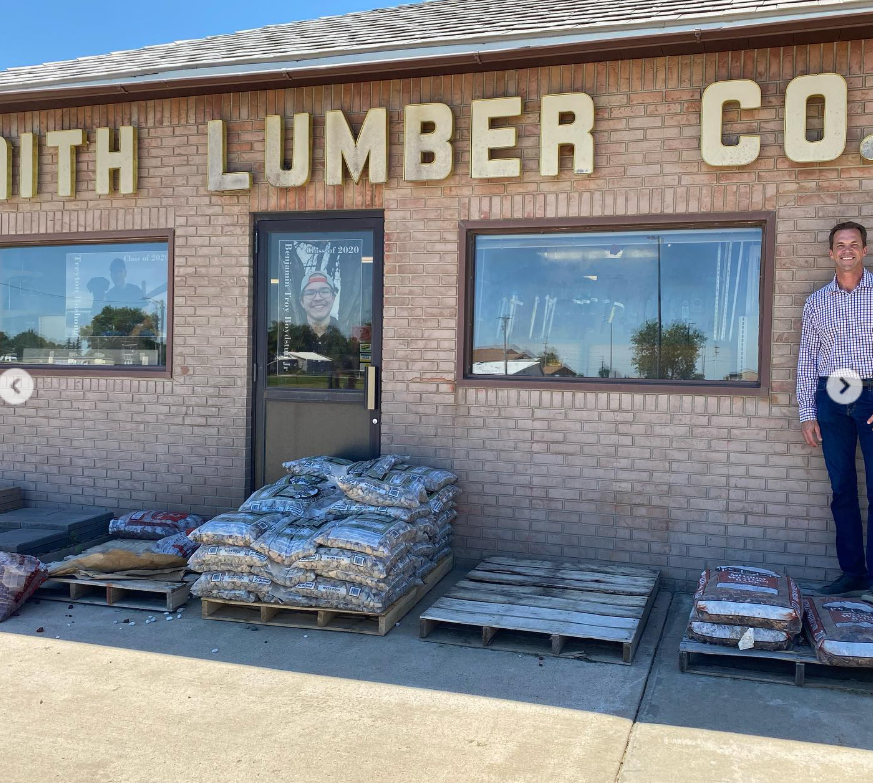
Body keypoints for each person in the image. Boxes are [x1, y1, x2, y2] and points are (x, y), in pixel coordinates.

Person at [797, 221, 873, 594]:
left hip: (871, 395)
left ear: (864, 250)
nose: (847, 250)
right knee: (842, 488)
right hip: (831, 396)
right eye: (840, 244)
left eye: (854, 244)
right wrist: (807, 412)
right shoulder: (817, 302)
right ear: (831, 253)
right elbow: (807, 359)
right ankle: (853, 573)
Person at [300, 271, 339, 336]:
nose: (318, 298)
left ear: (333, 298)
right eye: (310, 293)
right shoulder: (290, 337)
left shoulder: (347, 334)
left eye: (324, 292)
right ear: (302, 302)